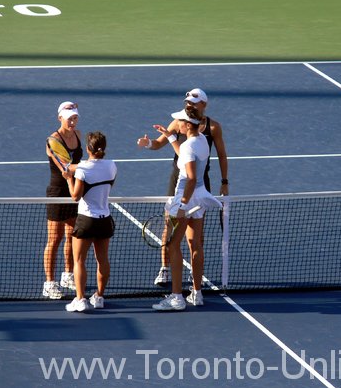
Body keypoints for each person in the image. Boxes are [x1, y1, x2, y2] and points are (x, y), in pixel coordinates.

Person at [137, 88, 229, 285]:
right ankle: (165, 268)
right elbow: (157, 144)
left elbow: (221, 155)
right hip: (178, 181)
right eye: (187, 101)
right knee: (169, 227)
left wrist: (224, 181)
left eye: (193, 102)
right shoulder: (179, 123)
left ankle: (193, 273)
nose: (189, 105)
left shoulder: (212, 129)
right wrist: (147, 144)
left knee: (195, 233)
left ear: (203, 104)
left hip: (198, 183)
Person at [152, 106, 222, 311]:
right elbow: (186, 159)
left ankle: (176, 297)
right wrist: (170, 137)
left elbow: (189, 177)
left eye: (180, 122)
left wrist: (181, 205)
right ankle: (197, 293)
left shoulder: (189, 145)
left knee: (173, 245)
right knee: (196, 243)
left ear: (187, 125)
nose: (177, 125)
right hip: (200, 196)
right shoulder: (200, 140)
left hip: (186, 198)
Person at [63, 131, 117, 312]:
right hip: (104, 220)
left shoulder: (82, 170)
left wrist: (70, 178)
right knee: (103, 260)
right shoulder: (111, 166)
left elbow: (75, 196)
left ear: (87, 148)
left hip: (86, 220)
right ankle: (99, 297)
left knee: (79, 260)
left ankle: (80, 299)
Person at [42, 101, 82, 300]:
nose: (73, 122)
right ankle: (49, 283)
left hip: (74, 190)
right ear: (60, 118)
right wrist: (90, 167)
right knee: (55, 239)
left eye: (75, 118)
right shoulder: (52, 140)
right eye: (69, 119)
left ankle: (68, 275)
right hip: (58, 191)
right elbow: (66, 169)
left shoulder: (78, 135)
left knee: (72, 235)